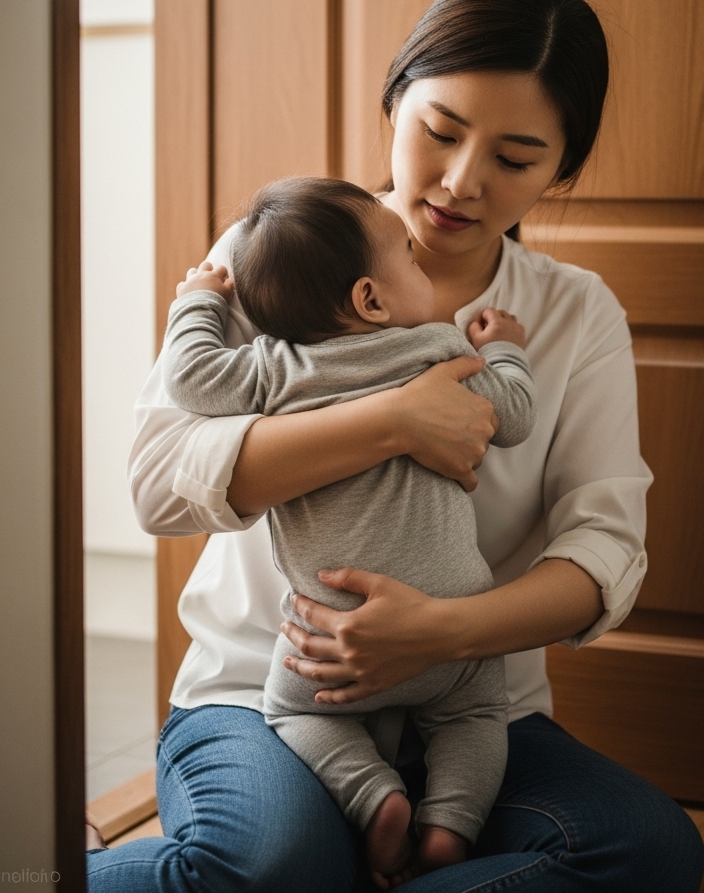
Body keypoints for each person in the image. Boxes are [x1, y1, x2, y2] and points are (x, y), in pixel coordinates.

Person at [92, 0, 704, 892]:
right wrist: (391, 420)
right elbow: (158, 482)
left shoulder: (571, 315)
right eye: (441, 132)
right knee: (274, 862)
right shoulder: (282, 253)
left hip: (466, 705)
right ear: (395, 103)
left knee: (645, 850)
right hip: (269, 695)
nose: (461, 183)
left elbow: (604, 554)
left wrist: (440, 632)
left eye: (516, 156)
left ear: (561, 170)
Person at [159, 174, 538, 886]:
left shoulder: (277, 370)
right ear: (371, 298)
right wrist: (507, 348)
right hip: (450, 624)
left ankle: (375, 798)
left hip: (326, 640)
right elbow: (514, 415)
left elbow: (194, 380)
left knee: (293, 713)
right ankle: (450, 825)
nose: (424, 262)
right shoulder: (437, 350)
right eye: (411, 260)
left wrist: (198, 303)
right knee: (478, 714)